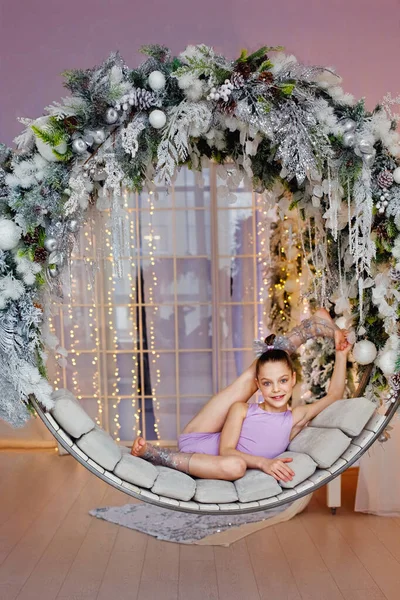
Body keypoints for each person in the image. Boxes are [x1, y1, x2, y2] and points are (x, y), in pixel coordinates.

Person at [131, 308, 352, 483]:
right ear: (260, 386)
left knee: (236, 467)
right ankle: (158, 455)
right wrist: (264, 463)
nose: (276, 389)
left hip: (217, 464)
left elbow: (333, 395)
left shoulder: (295, 417)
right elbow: (227, 449)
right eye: (267, 384)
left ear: (293, 380)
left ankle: (312, 326)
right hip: (198, 437)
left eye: (283, 381)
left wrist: (341, 355)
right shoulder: (242, 409)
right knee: (252, 376)